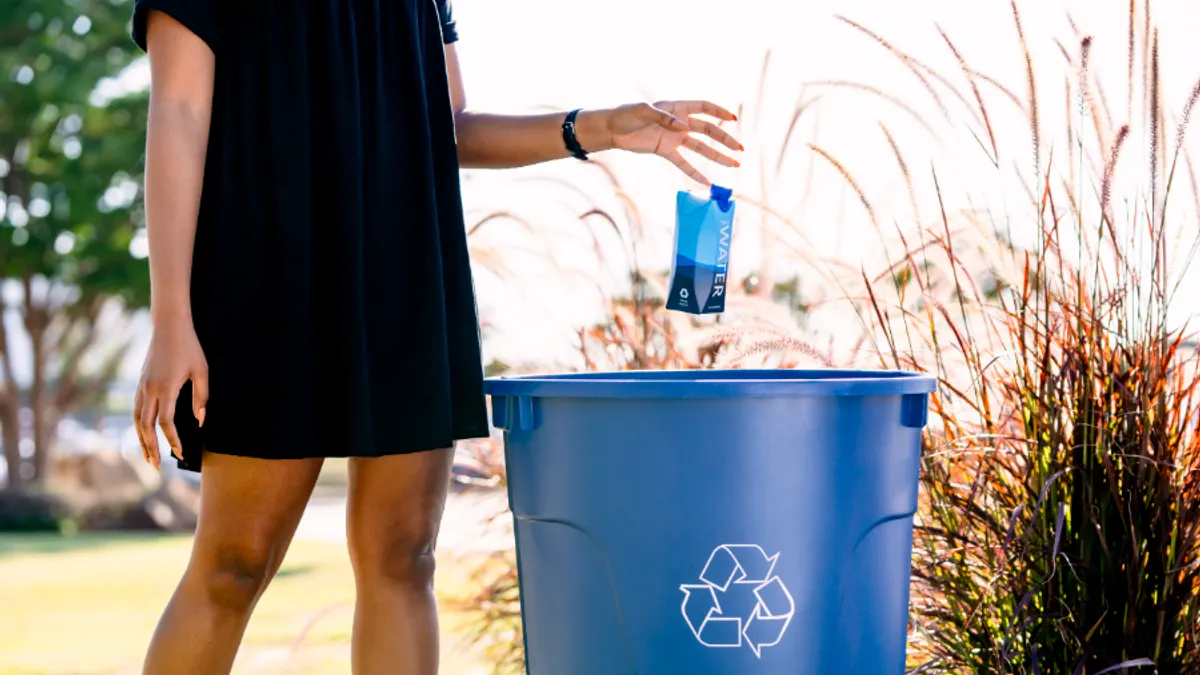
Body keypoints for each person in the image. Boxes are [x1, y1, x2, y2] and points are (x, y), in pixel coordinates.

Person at [130, 1, 742, 673]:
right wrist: (171, 320)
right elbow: (179, 111)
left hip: (408, 276)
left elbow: (447, 127)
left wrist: (600, 127)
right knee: (234, 564)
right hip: (268, 277)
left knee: (403, 557)